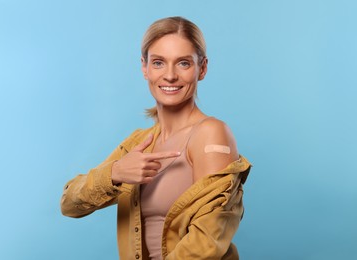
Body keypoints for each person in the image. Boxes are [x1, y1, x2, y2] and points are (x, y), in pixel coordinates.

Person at [61, 16, 251, 260]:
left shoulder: (210, 133)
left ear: (202, 68)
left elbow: (207, 242)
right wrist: (115, 173)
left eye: (183, 63)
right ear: (144, 67)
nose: (170, 76)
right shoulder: (140, 143)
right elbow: (69, 203)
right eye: (159, 63)